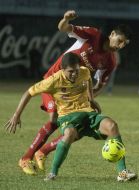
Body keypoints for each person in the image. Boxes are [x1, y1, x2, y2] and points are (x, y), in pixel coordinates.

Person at [17, 10, 132, 175]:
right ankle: (26, 158)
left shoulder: (110, 61)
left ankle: (42, 152)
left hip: (74, 92)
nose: (120, 46)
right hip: (54, 83)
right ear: (112, 34)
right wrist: (65, 19)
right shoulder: (93, 35)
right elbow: (63, 28)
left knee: (77, 130)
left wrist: (88, 98)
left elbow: (99, 85)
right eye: (120, 41)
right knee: (54, 119)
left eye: (124, 44)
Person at [5, 52, 137, 182]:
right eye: (70, 71)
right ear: (62, 70)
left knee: (112, 126)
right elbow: (29, 92)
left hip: (88, 114)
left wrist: (91, 99)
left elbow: (88, 80)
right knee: (69, 133)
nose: (74, 74)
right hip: (67, 117)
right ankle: (53, 173)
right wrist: (16, 114)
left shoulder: (84, 72)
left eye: (76, 70)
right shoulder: (53, 80)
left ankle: (122, 172)